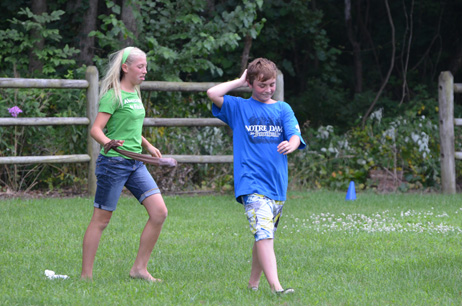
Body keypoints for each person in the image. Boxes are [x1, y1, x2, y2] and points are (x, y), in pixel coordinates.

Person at [207, 58, 306, 294]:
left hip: (277, 185)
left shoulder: (283, 108)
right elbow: (212, 92)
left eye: (271, 84)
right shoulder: (238, 107)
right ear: (251, 83)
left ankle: (253, 284)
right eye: (262, 85)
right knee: (263, 232)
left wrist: (292, 145)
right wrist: (239, 80)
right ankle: (277, 288)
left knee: (264, 235)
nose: (268, 89)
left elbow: (294, 134)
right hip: (251, 184)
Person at [81, 47, 168, 282]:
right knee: (101, 220)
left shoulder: (135, 93)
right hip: (114, 163)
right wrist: (109, 142)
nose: (145, 71)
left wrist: (148, 146)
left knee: (159, 213)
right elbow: (96, 129)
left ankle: (139, 269)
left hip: (135, 163)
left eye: (145, 66)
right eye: (140, 67)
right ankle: (86, 276)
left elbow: (130, 128)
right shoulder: (113, 95)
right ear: (125, 67)